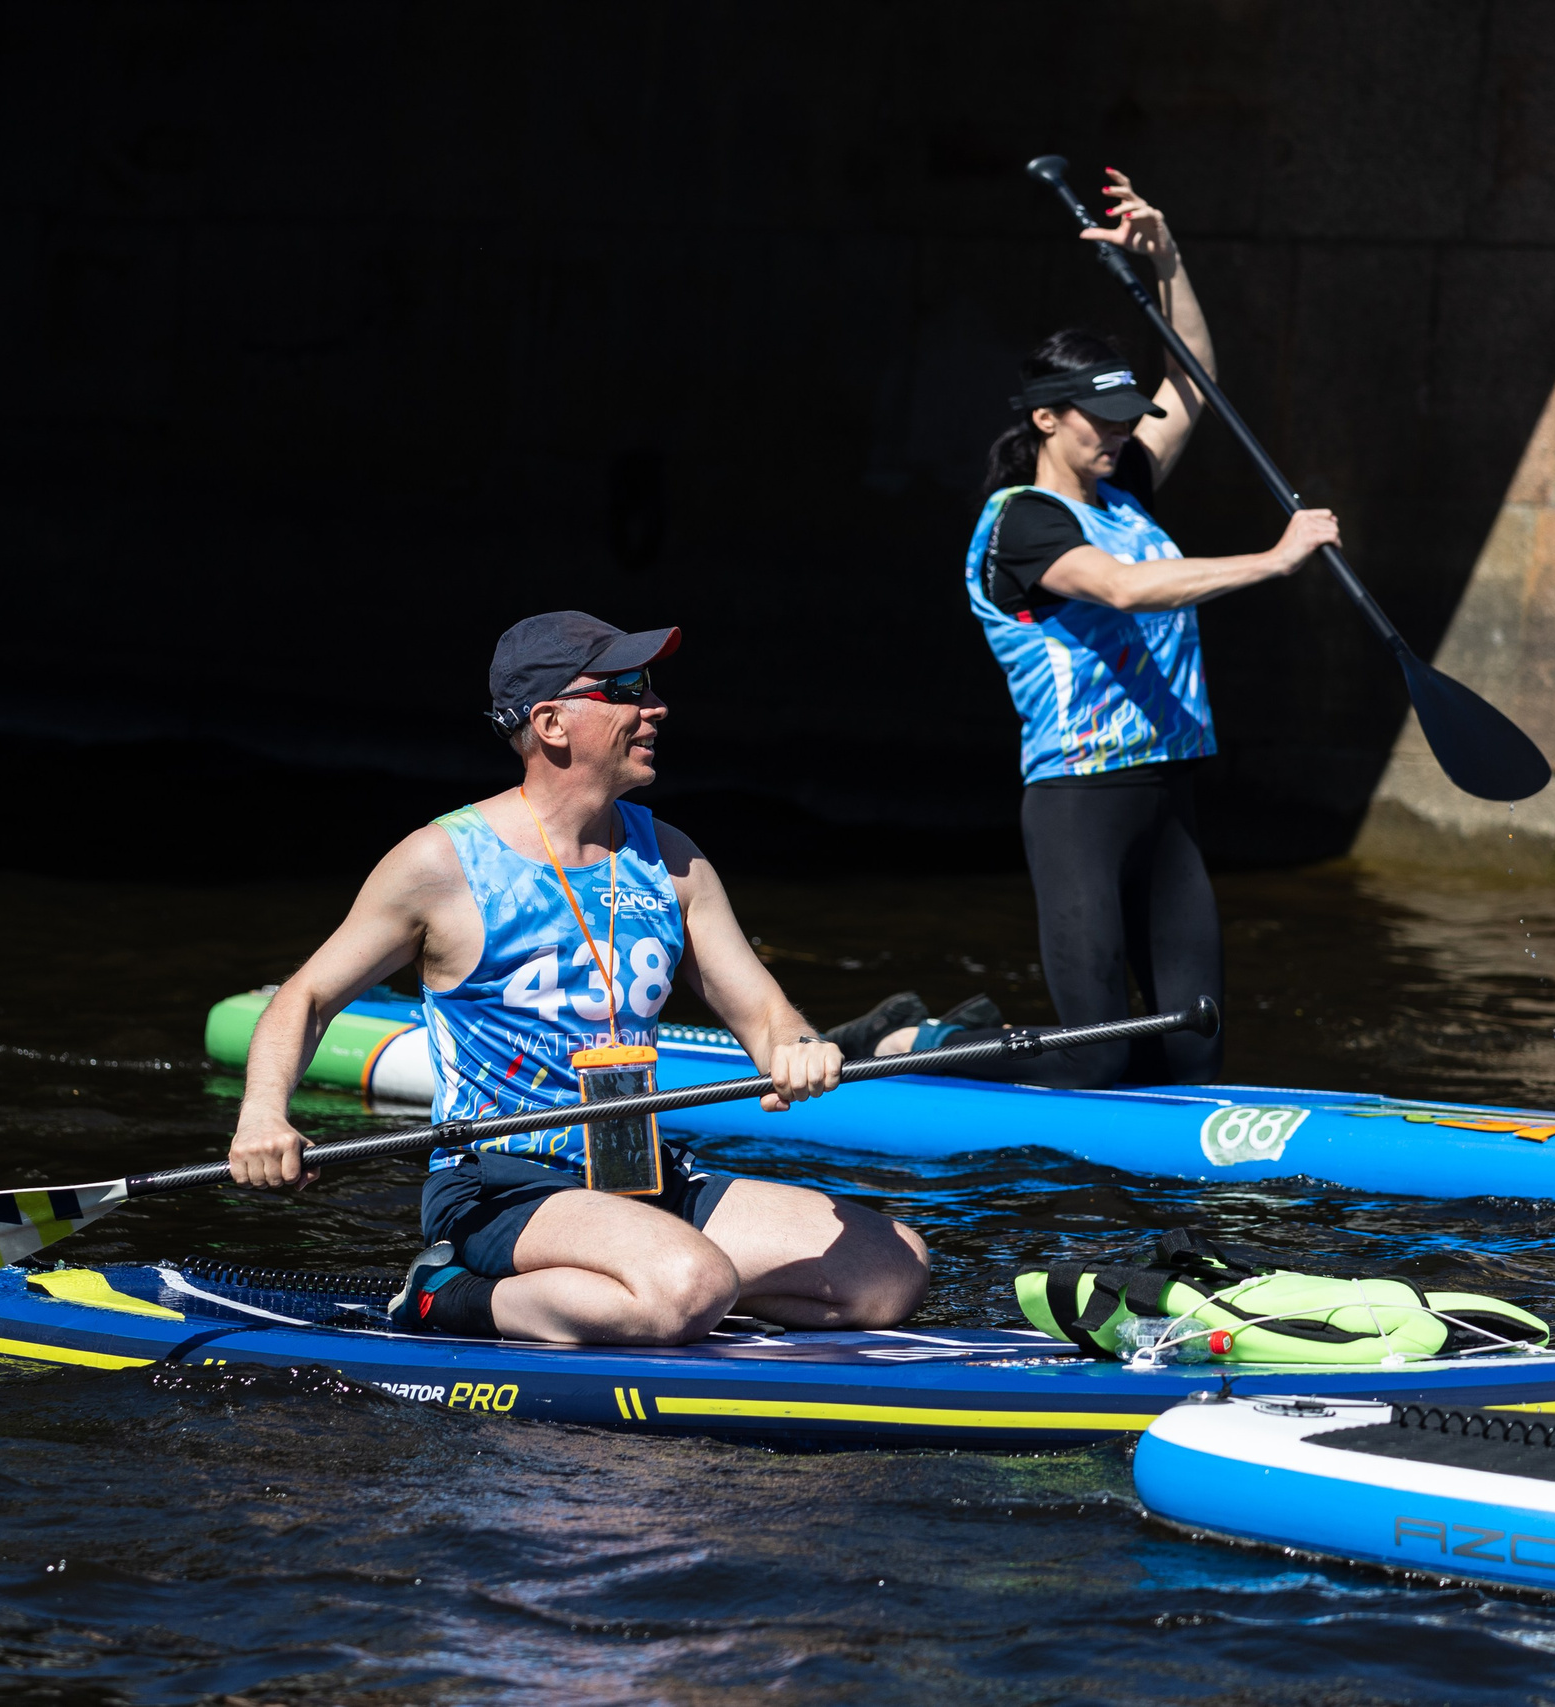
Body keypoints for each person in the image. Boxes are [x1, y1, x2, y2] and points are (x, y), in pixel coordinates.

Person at [226, 612, 932, 1346]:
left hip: (635, 1169)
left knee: (891, 1269)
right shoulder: (440, 864)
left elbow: (763, 1014)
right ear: (551, 723)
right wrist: (263, 1116)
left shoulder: (673, 858)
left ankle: (646, 1292)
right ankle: (446, 1295)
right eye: (625, 690)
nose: (655, 707)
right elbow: (306, 997)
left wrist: (797, 1047)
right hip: (500, 1179)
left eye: (649, 686)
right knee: (690, 1284)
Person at [842, 171, 1340, 1086]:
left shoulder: (1122, 486)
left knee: (1197, 1047)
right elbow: (1121, 588)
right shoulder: (1021, 523)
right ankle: (920, 1044)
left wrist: (1167, 260)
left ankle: (1156, 1151)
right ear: (1045, 418)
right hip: (1080, 801)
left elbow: (1192, 380)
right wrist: (1273, 561)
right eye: (1100, 422)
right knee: (1100, 1056)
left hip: (1169, 795)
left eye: (1124, 421)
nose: (1118, 436)